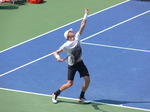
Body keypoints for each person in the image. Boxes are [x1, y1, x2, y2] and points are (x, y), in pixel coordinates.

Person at [52, 8, 90, 104]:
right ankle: (56, 93)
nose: (73, 32)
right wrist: (58, 57)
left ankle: (81, 96)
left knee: (88, 80)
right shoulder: (65, 45)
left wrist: (85, 14)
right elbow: (55, 52)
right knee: (70, 84)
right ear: (68, 36)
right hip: (72, 65)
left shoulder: (77, 37)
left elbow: (83, 25)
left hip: (80, 63)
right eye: (70, 32)